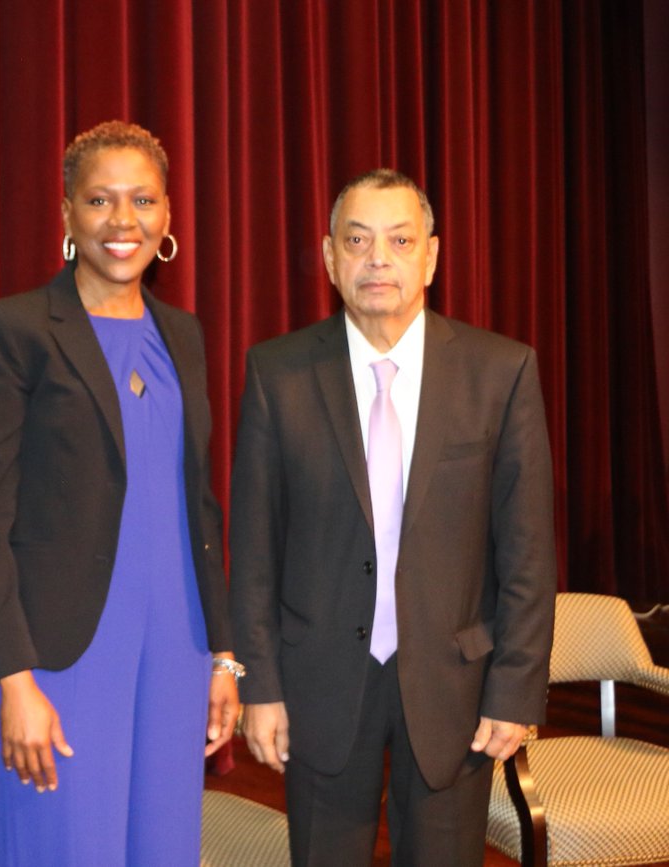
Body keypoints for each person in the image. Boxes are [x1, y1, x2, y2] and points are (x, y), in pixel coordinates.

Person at [230, 168, 557, 865]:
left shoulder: (501, 372)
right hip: (317, 684)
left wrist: (516, 687)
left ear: (431, 255)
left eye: (399, 239)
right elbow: (255, 548)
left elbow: (526, 553)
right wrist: (258, 684)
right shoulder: (276, 373)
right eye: (358, 239)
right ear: (329, 257)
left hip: (455, 690)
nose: (378, 258)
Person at [0, 121, 240, 866]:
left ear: (168, 215)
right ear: (67, 215)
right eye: (100, 200)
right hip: (61, 657)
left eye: (143, 200)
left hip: (177, 649)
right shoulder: (16, 327)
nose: (123, 222)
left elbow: (199, 504)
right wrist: (11, 676)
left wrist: (223, 655)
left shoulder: (184, 334)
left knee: (165, 850)